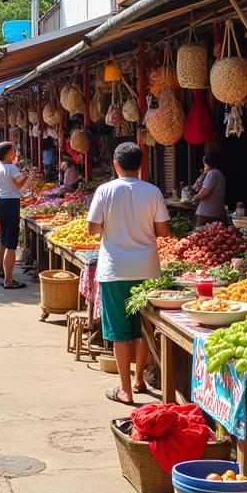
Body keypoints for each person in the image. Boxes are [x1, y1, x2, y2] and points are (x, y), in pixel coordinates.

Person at [87, 142, 171, 405]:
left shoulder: (105, 191)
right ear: (141, 165)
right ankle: (139, 378)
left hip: (114, 270)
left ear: (115, 164)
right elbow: (164, 231)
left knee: (120, 332)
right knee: (143, 328)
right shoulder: (153, 191)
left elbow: (92, 229)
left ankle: (126, 389)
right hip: (146, 269)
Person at [0, 140, 30, 289]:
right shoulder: (12, 168)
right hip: (10, 203)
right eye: (13, 150)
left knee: (3, 239)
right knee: (11, 244)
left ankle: (1, 271)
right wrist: (27, 176)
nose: (15, 153)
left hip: (0, 202)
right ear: (8, 153)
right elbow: (19, 184)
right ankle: (9, 280)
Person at [192, 152, 226, 225]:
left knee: (200, 232)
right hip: (216, 211)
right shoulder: (219, 173)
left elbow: (204, 192)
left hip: (207, 212)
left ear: (209, 163)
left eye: (204, 163)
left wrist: (195, 198)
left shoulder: (212, 174)